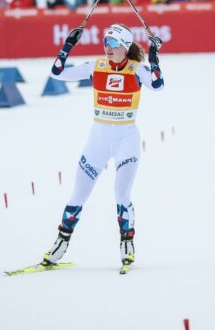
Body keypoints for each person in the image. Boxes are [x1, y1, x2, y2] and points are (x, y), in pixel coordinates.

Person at [44, 23, 164, 273]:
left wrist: (153, 57)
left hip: (126, 139)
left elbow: (158, 85)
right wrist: (68, 45)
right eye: (104, 43)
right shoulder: (95, 66)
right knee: (78, 195)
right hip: (98, 139)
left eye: (112, 43)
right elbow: (56, 73)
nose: (107, 48)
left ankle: (127, 245)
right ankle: (59, 245)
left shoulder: (136, 70)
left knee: (121, 194)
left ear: (125, 46)